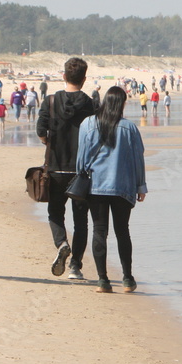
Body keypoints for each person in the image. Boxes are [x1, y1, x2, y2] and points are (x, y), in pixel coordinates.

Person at [77, 86, 147, 293]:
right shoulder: (130, 128)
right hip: (122, 186)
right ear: (122, 104)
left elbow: (81, 158)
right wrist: (141, 185)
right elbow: (138, 158)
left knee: (99, 230)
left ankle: (103, 280)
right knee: (122, 231)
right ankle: (127, 279)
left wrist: (80, 177)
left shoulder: (87, 124)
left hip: (95, 186)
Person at [36, 57, 95, 280]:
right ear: (84, 79)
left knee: (55, 212)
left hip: (56, 167)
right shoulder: (90, 104)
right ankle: (75, 267)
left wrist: (49, 142)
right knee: (81, 221)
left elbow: (41, 130)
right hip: (81, 170)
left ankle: (61, 243)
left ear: (64, 76)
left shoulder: (51, 101)